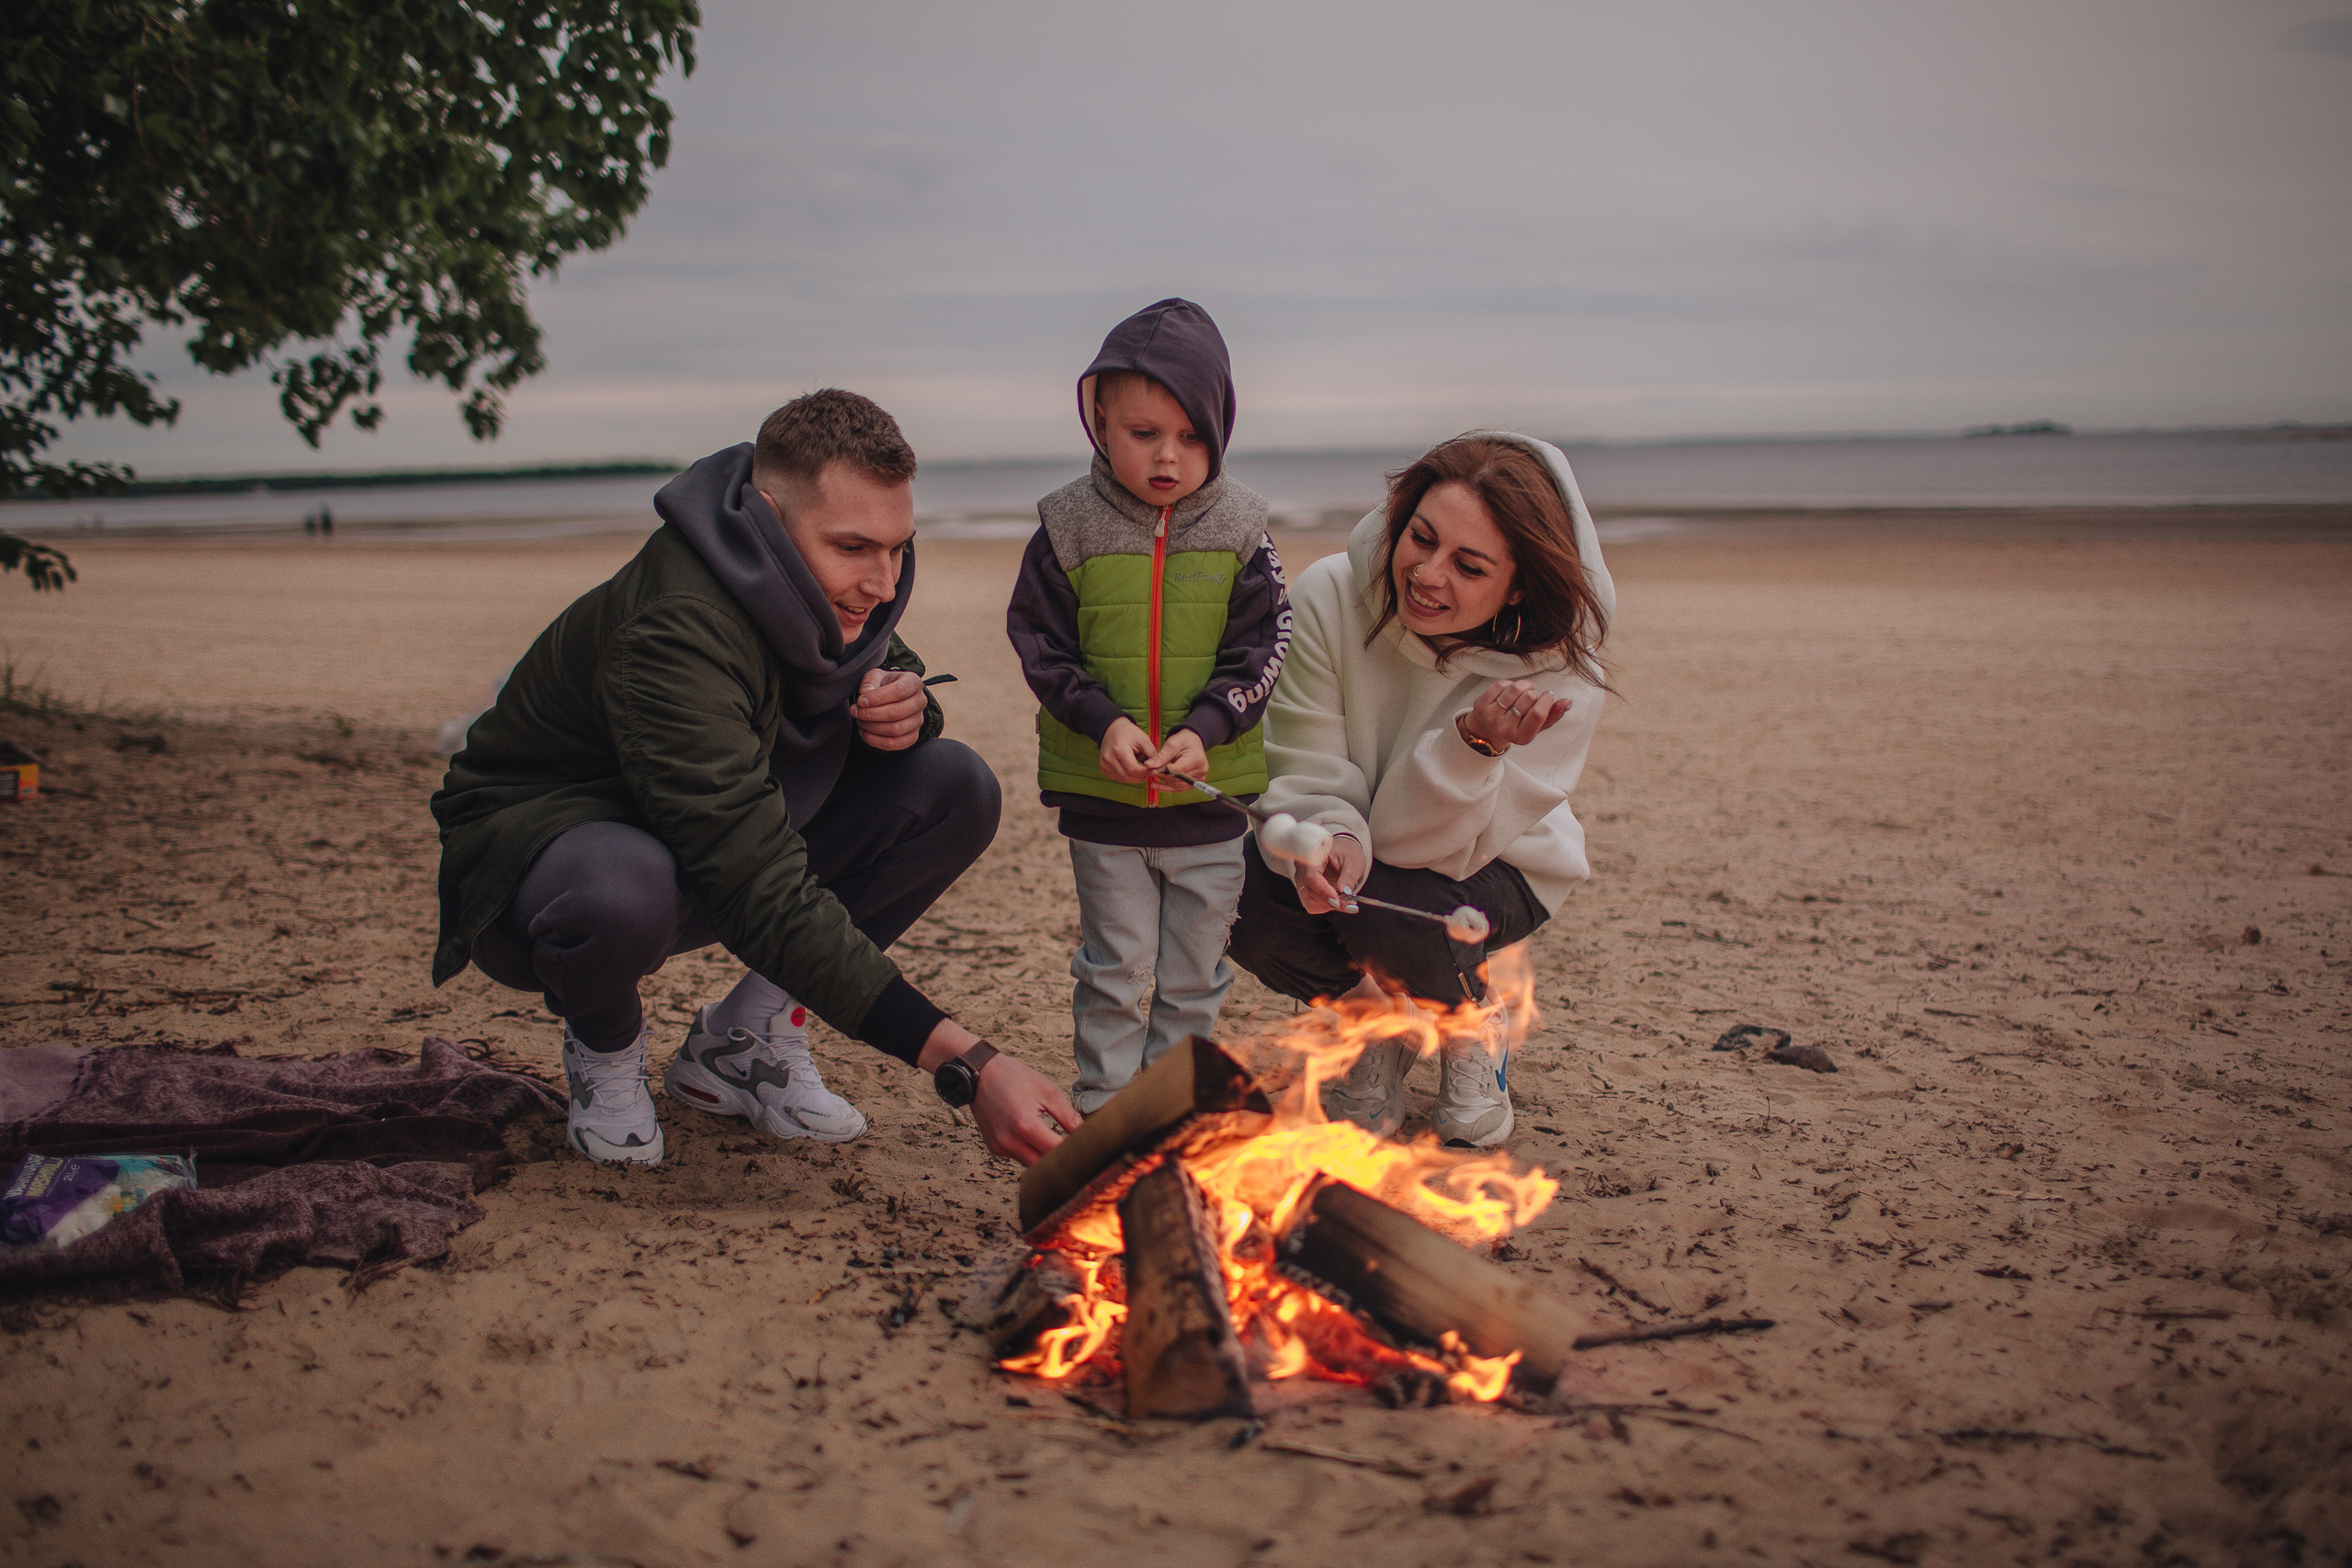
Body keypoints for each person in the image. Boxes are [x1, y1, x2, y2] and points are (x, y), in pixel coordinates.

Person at [429, 389, 1080, 1167]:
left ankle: (746, 1040)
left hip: (697, 842)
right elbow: (749, 875)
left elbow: (889, 665)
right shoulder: (677, 625)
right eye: (854, 548)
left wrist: (909, 709)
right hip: (548, 867)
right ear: (768, 519)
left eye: (898, 548)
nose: (883, 583)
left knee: (956, 785)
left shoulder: (819, 584)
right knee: (625, 887)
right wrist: (971, 1064)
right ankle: (605, 1046)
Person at [1226, 432, 1614, 1148]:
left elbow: (1426, 849)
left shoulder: (1560, 672)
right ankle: (1377, 1022)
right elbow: (1303, 758)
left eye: (1469, 565)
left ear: (1519, 585)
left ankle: (1470, 1024)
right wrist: (1325, 836)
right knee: (1227, 890)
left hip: (1494, 865)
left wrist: (1473, 746)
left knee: (1388, 901)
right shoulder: (1330, 595)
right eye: (1422, 539)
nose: (1428, 575)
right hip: (1368, 843)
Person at [1005, 299, 1290, 1112]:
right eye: (1144, 433)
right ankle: (1103, 1103)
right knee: (1116, 965)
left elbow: (1266, 644)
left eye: (1192, 435)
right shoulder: (1066, 527)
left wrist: (1211, 726)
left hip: (1210, 801)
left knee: (1195, 973)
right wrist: (1103, 721)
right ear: (1099, 419)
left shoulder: (1243, 528)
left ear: (1220, 429)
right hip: (1106, 805)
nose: (1169, 456)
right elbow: (1040, 642)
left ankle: (1172, 1104)